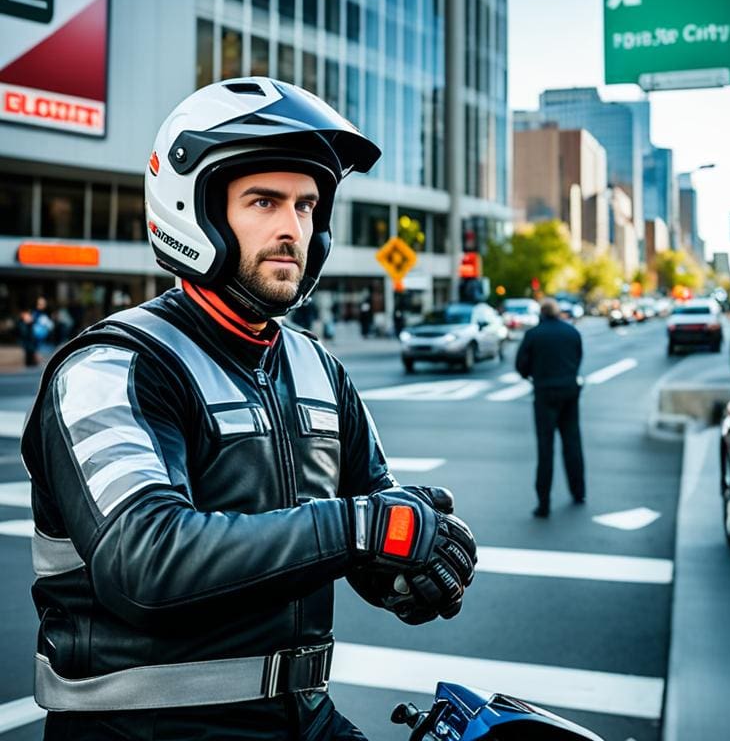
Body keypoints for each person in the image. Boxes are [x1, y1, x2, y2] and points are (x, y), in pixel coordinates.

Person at [21, 77, 477, 741]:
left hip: (306, 718)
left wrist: (413, 572)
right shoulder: (113, 366)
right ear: (193, 208)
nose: (293, 228)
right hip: (147, 731)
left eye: (307, 206)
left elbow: (374, 522)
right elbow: (146, 564)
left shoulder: (320, 369)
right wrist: (365, 528)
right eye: (264, 201)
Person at [515, 297, 585, 517]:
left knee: (545, 449)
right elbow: (578, 357)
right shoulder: (572, 332)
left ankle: (543, 503)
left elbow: (521, 365)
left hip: (544, 394)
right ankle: (579, 491)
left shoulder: (533, 335)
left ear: (541, 314)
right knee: (572, 443)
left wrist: (533, 375)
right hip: (569, 391)